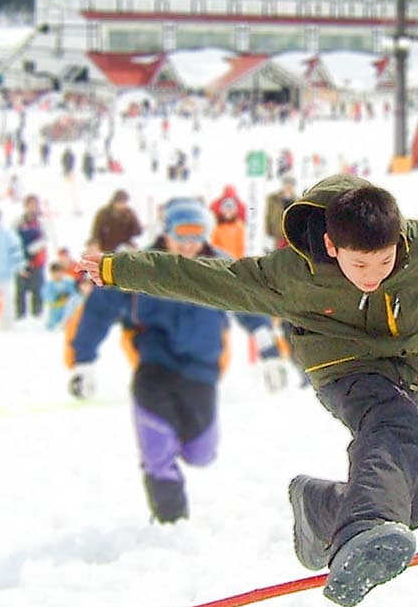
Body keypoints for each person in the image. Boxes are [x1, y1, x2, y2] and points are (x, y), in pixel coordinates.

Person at [78, 175, 418, 607]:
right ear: (333, 245)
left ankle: (321, 509)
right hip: (343, 369)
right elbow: (199, 278)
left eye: (385, 261)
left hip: (407, 373)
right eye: (360, 263)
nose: (374, 275)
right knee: (393, 431)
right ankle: (360, 526)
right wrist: (116, 268)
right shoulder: (288, 275)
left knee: (415, 501)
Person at [67, 198, 271, 524]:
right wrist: (83, 362)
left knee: (201, 453)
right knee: (156, 449)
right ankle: (170, 519)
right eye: (182, 235)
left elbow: (249, 303)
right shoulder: (137, 266)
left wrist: (267, 348)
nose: (190, 244)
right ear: (166, 232)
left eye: (197, 236)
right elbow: (97, 312)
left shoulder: (220, 266)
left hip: (202, 371)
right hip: (154, 367)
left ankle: (177, 449)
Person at [16, 194, 49, 319]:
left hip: (37, 259)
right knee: (21, 289)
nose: (32, 208)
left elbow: (45, 239)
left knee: (37, 288)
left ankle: (37, 313)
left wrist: (33, 249)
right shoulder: (18, 221)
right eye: (30, 205)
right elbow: (13, 238)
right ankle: (20, 314)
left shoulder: (42, 222)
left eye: (34, 205)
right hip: (21, 259)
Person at [209, 185, 247, 259]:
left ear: (235, 211)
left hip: (234, 260)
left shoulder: (239, 226)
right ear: (221, 210)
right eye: (226, 209)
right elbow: (214, 244)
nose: (228, 212)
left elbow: (241, 247)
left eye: (231, 209)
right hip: (220, 260)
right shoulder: (218, 226)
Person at [263, 176, 297, 251]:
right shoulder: (273, 198)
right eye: (286, 184)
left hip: (291, 235)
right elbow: (268, 216)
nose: (288, 187)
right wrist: (268, 231)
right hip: (278, 234)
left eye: (290, 185)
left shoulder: (297, 200)